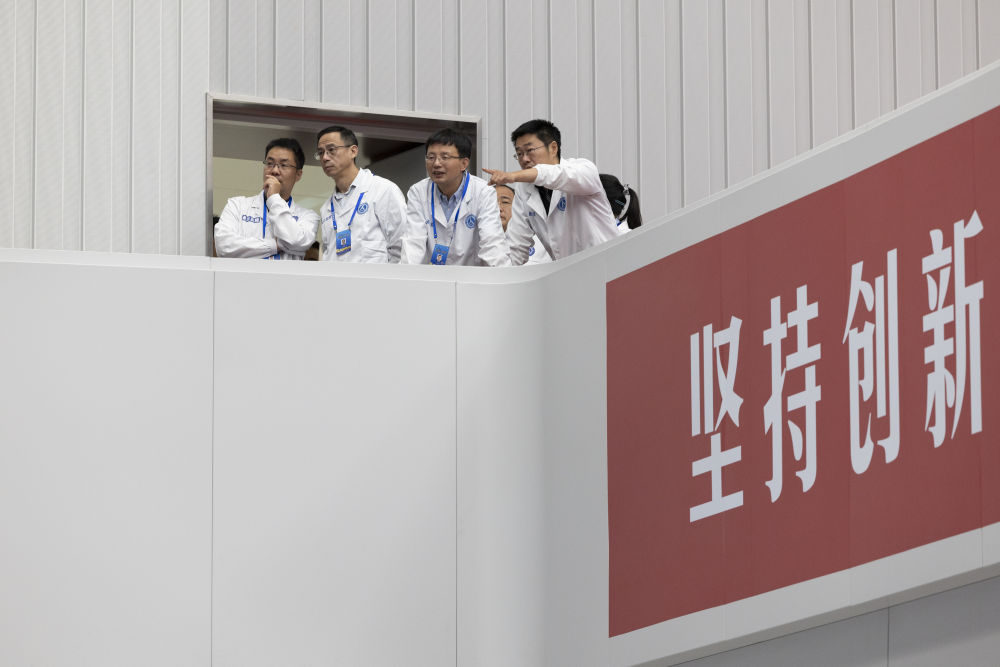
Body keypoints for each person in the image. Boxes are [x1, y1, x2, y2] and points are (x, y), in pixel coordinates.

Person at [484, 119, 624, 264]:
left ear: (553, 148)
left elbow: (551, 174)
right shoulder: (524, 188)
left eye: (529, 150)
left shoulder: (584, 169)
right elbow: (517, 245)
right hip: (568, 272)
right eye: (519, 153)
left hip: (609, 268)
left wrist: (513, 176)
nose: (524, 159)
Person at [400, 129, 510, 266]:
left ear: (464, 163)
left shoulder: (483, 192)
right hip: (433, 276)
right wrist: (405, 276)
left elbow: (492, 244)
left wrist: (500, 276)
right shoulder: (418, 191)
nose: (436, 163)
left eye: (445, 157)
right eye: (431, 157)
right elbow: (413, 243)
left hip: (473, 275)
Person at [314, 125, 407, 263]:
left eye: (331, 150)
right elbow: (328, 253)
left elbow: (402, 246)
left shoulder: (383, 190)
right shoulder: (326, 208)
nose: (325, 157)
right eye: (321, 152)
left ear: (353, 151)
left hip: (376, 277)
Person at [214, 138, 319, 260]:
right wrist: (275, 245)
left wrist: (274, 198)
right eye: (270, 163)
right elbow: (224, 247)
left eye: (283, 165)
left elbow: (294, 240)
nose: (274, 170)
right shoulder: (237, 205)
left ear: (298, 174)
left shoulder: (308, 217)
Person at [495, 184, 550, 264]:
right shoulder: (479, 243)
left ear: (517, 207)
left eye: (505, 202)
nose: (499, 208)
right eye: (492, 203)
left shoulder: (541, 241)